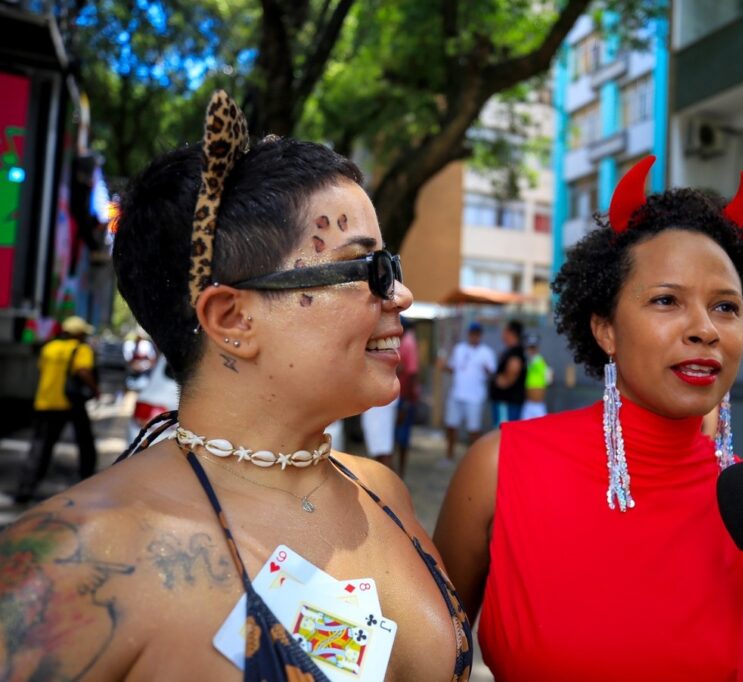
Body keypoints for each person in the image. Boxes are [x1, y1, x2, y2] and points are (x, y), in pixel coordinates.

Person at [0, 91, 471, 681]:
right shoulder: (73, 560)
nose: (398, 295)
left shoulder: (383, 493)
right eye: (369, 268)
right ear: (231, 319)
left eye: (393, 268)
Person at [435, 157, 743, 679]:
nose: (705, 330)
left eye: (725, 307)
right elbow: (429, 659)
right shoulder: (500, 468)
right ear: (604, 329)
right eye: (667, 300)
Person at [14, 315, 100, 504]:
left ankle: (25, 490)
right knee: (85, 444)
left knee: (40, 447)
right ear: (77, 334)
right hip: (70, 403)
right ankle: (89, 482)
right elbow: (83, 371)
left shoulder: (49, 348)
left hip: (44, 403)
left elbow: (42, 371)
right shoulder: (81, 349)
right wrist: (95, 390)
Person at [442, 321, 496, 464]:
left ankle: (474, 460)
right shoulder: (459, 349)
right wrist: (443, 366)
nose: (474, 336)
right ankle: (449, 456)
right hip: (456, 394)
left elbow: (492, 373)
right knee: (451, 425)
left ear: (480, 335)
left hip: (475, 397)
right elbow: (452, 368)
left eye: (477, 334)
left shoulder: (487, 352)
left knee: (474, 429)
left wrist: (487, 372)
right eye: (472, 333)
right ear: (469, 334)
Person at [394, 315, 420, 477]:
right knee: (398, 435)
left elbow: (411, 373)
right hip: (400, 395)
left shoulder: (408, 342)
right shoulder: (404, 341)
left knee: (402, 436)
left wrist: (407, 402)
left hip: (404, 396)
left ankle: (400, 473)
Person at [488, 320, 526, 424]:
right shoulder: (511, 351)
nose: (502, 334)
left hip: (506, 403)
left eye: (504, 331)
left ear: (511, 333)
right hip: (506, 402)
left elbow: (513, 370)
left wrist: (498, 381)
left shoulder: (515, 352)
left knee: (503, 433)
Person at [360, 398, 399, 470]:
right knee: (376, 453)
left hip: (384, 413)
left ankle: (390, 480)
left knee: (385, 453)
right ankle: (383, 478)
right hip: (371, 413)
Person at [521, 332, 552, 419]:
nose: (532, 350)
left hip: (539, 405)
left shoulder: (540, 362)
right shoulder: (528, 362)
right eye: (530, 347)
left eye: (533, 347)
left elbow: (549, 378)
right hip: (528, 404)